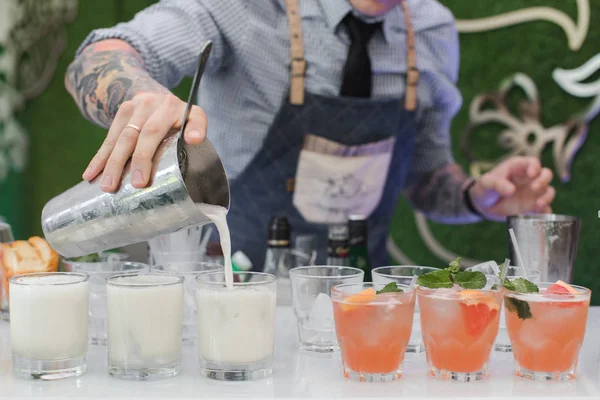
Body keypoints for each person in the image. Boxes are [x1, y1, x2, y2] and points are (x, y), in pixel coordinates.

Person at [65, 0, 555, 268]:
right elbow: (100, 56)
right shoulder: (246, 9)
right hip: (229, 287)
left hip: (356, 301)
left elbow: (426, 177)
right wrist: (137, 94)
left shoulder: (432, 28)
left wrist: (477, 197)